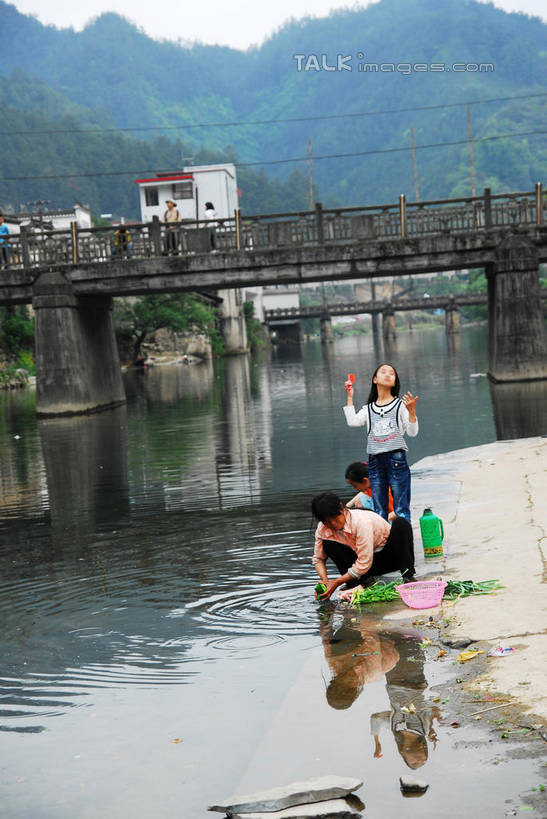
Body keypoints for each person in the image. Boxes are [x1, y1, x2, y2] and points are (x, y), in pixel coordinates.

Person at [344, 363, 418, 522]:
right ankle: (385, 544)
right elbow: (352, 421)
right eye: (383, 372)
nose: (388, 375)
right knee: (379, 511)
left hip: (396, 458)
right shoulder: (369, 409)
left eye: (392, 373)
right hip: (375, 460)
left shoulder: (400, 405)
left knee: (401, 509)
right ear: (375, 379)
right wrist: (350, 397)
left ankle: (405, 545)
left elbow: (412, 433)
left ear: (395, 381)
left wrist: (411, 412)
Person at [311, 491, 415, 600]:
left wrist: (337, 582)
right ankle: (360, 582)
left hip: (388, 559)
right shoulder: (322, 529)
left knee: (401, 523)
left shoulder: (360, 521)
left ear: (342, 509)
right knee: (328, 544)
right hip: (363, 569)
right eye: (328, 522)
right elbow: (318, 559)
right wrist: (325, 581)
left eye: (336, 519)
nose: (333, 524)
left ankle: (408, 576)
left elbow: (364, 563)